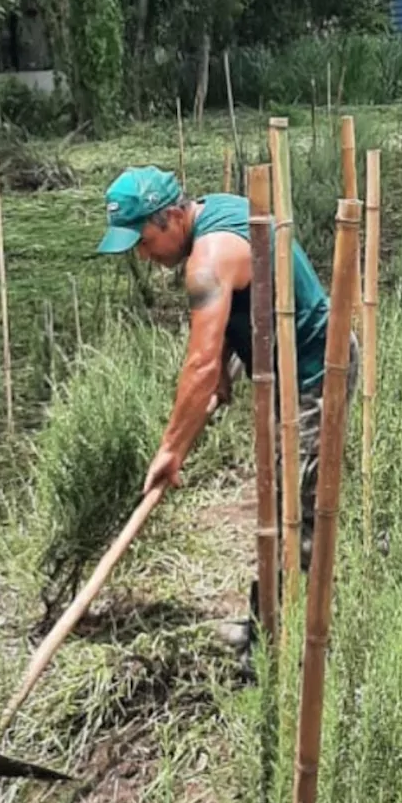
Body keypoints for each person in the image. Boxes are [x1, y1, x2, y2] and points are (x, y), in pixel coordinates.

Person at [96, 166, 354, 621]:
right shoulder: (218, 209)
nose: (143, 256)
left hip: (315, 374)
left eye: (143, 241)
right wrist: (229, 359)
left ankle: (287, 645)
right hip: (286, 362)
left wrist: (171, 451)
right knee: (282, 506)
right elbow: (249, 297)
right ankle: (269, 627)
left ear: (172, 216)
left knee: (298, 516)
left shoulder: (208, 259)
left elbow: (199, 364)